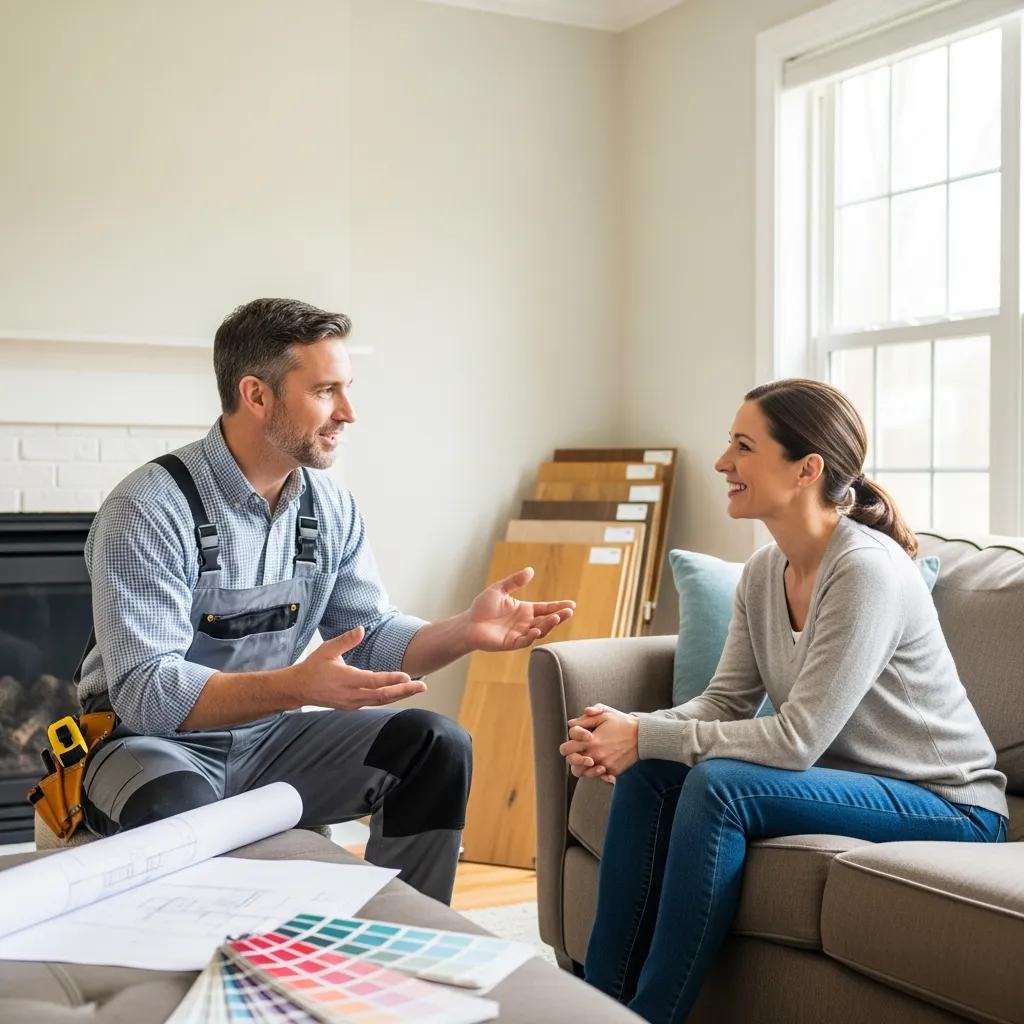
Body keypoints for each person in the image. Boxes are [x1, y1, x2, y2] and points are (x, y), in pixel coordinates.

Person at [75, 297, 574, 906]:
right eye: (325, 391)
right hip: (147, 748)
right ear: (257, 395)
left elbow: (371, 640)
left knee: (434, 745)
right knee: (179, 813)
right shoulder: (148, 507)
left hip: (271, 740)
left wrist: (465, 631)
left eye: (347, 388)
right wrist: (299, 687)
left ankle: (401, 950)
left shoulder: (329, 507)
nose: (348, 412)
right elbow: (147, 694)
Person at [560, 378, 1008, 1022]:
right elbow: (722, 704)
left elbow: (798, 739)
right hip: (857, 783)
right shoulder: (765, 572)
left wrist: (645, 735)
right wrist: (631, 730)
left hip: (950, 804)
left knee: (718, 786)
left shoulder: (867, 570)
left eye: (743, 446)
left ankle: (654, 1015)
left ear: (807, 469)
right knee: (651, 774)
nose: (722, 463)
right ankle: (595, 1009)